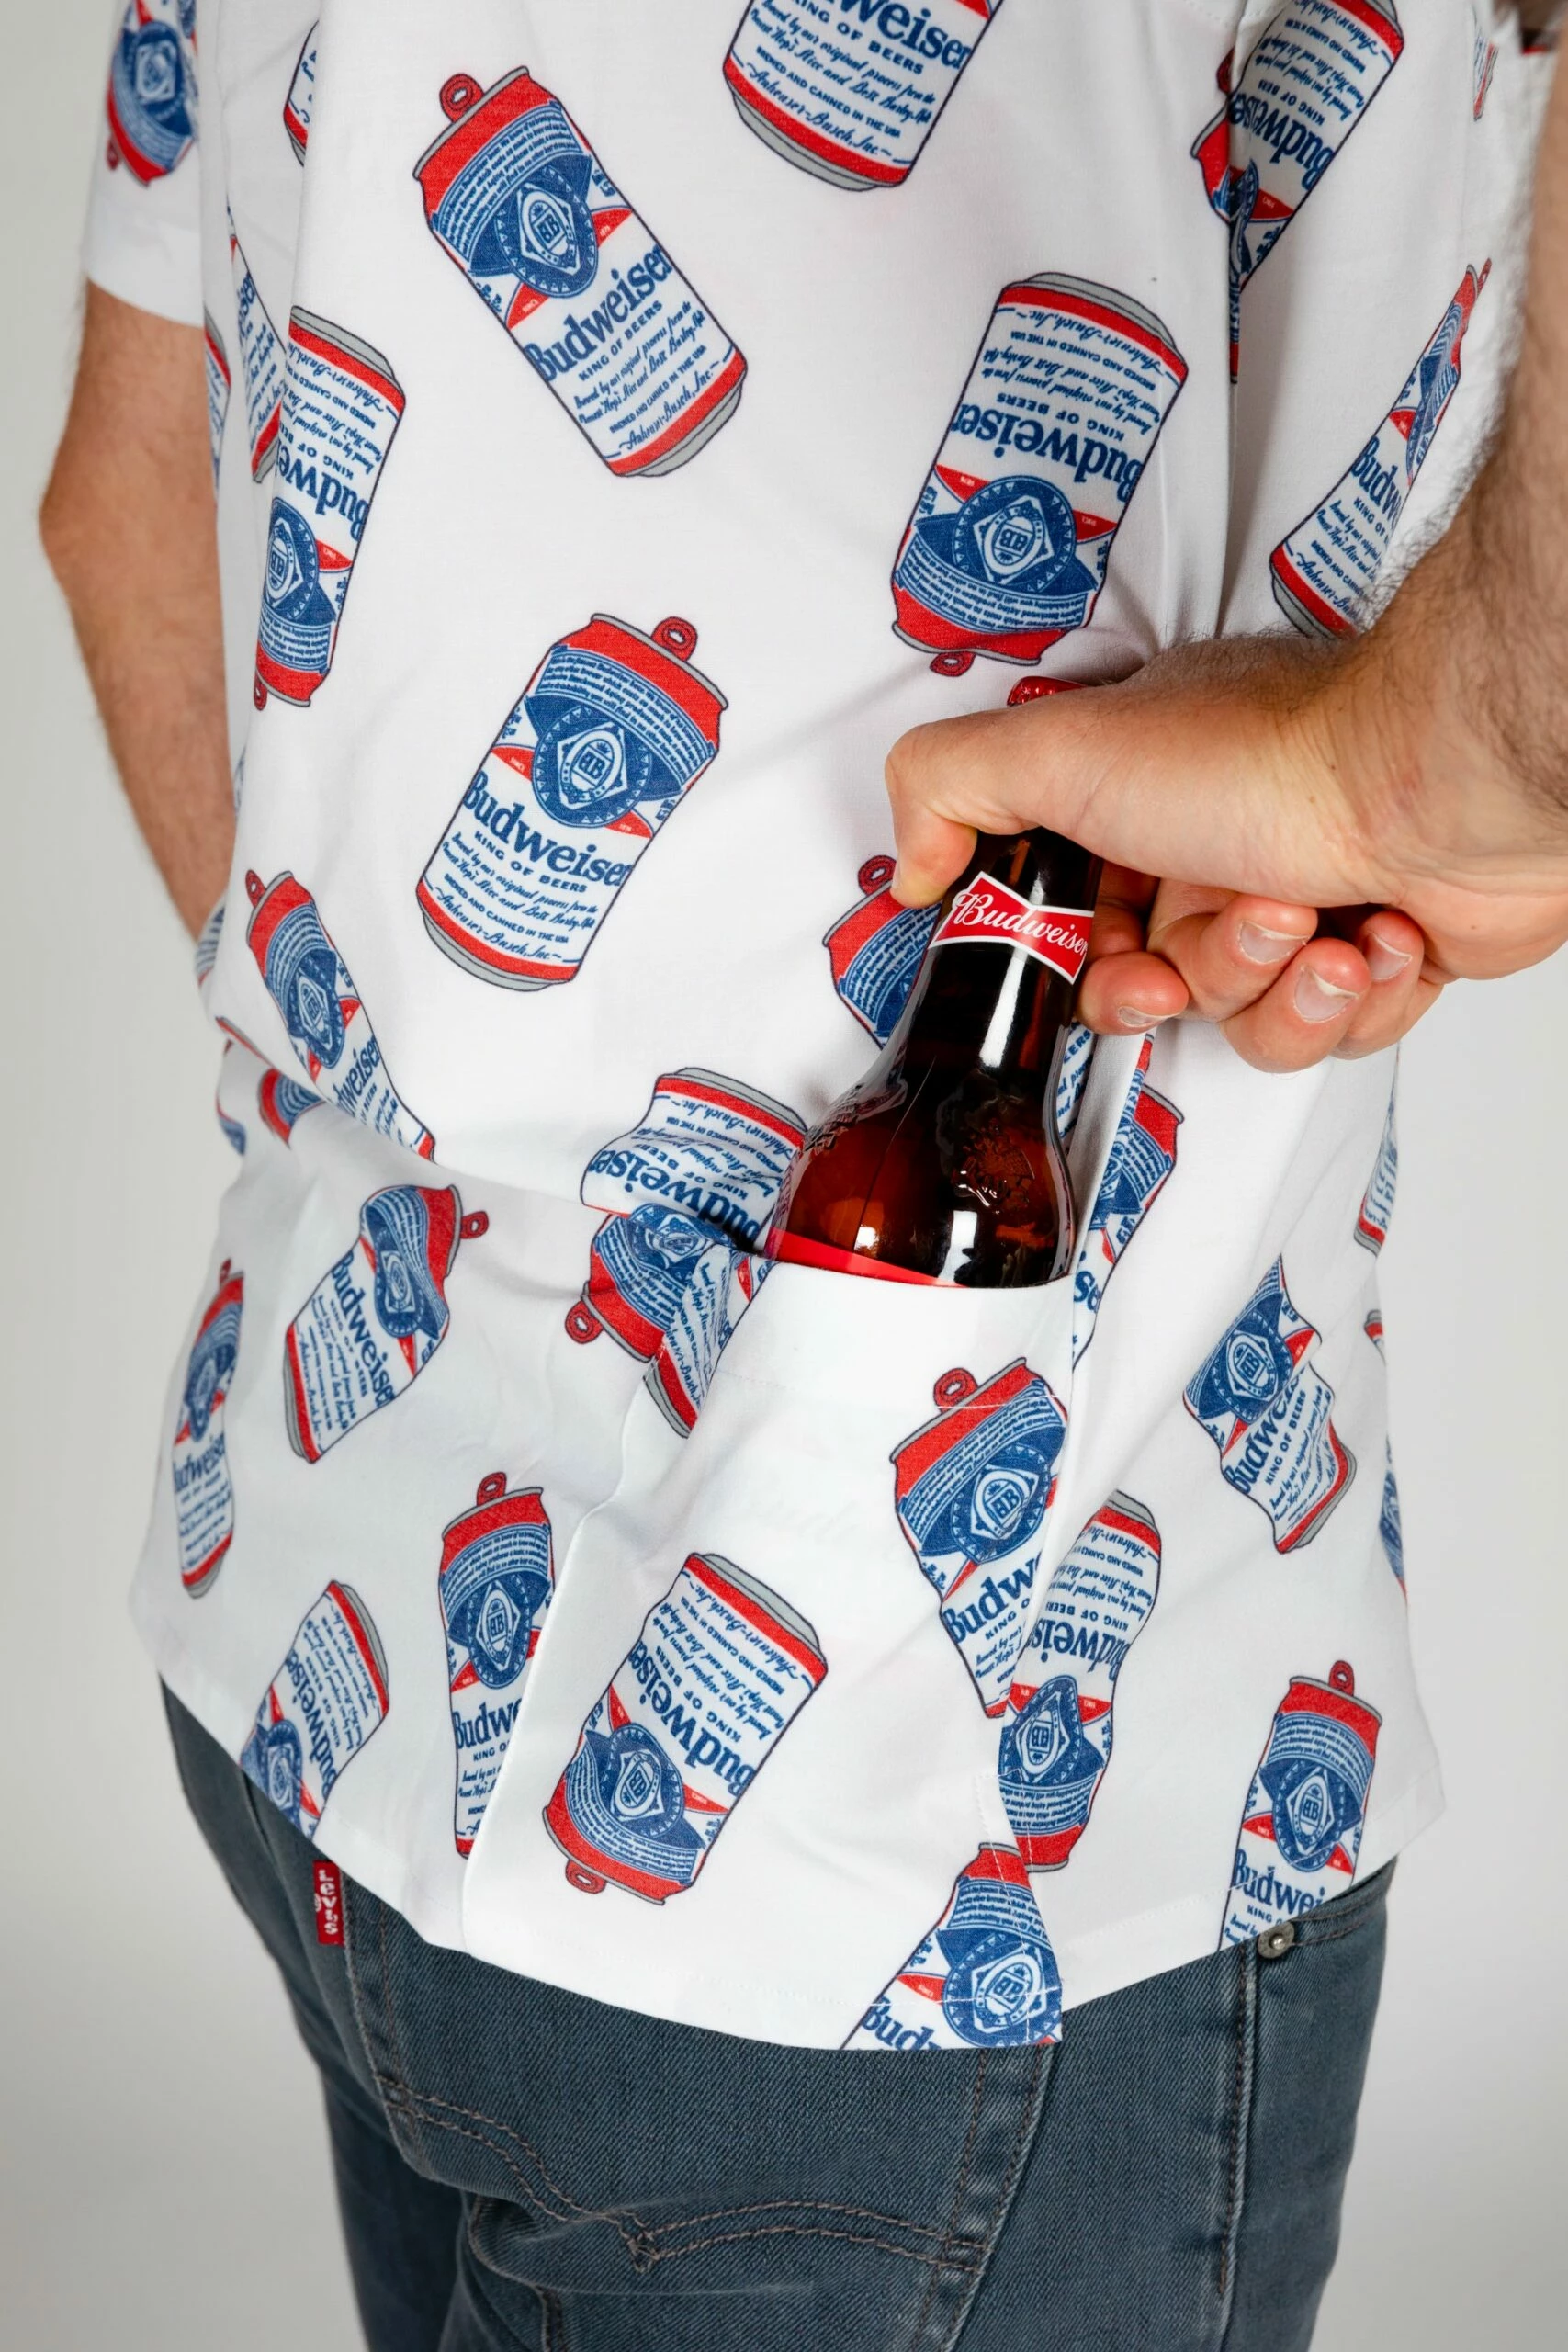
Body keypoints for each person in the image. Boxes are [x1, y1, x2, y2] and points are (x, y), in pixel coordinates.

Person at [39, 6, 1563, 2347]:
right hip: (915, 1826)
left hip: (321, 1602)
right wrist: (1435, 766)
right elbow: (1512, 725)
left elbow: (117, 500)